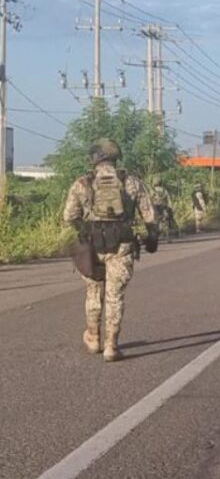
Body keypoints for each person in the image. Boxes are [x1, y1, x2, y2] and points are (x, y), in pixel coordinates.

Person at [63, 139, 157, 362]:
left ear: (94, 158)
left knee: (94, 293)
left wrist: (85, 230)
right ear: (116, 157)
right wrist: (152, 238)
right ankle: (111, 347)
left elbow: (69, 216)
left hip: (92, 246)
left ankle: (93, 338)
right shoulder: (132, 182)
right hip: (122, 246)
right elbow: (149, 215)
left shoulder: (82, 183)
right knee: (115, 296)